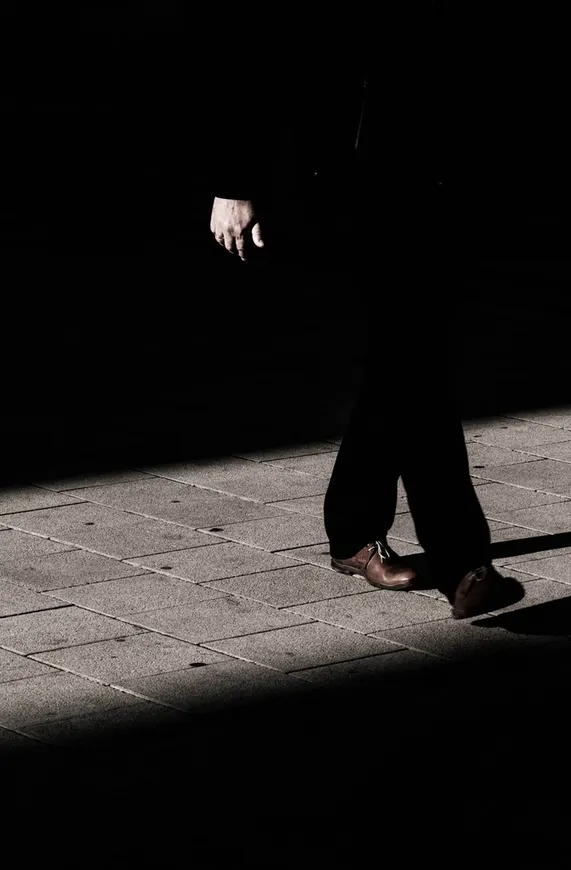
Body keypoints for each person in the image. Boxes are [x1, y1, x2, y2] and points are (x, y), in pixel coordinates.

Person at [204, 2, 521, 619]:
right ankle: (462, 562)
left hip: (424, 169)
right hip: (329, 179)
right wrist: (233, 179)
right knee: (409, 360)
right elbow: (243, 46)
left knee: (404, 359)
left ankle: (355, 528)